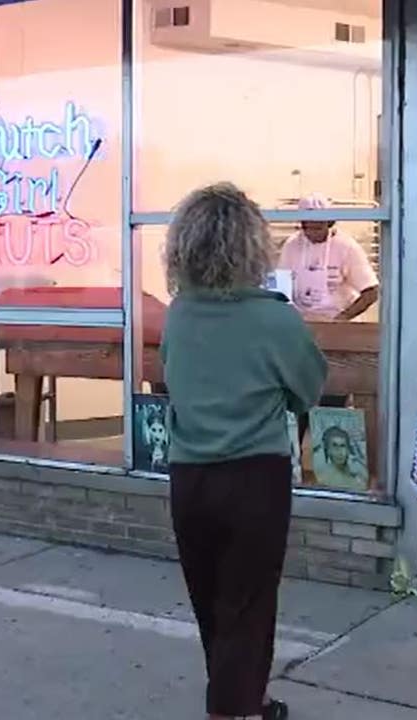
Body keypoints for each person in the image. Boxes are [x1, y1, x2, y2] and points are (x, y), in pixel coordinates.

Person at [161, 182, 328, 720]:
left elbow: (172, 383)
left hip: (190, 476)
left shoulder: (180, 315)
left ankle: (246, 699)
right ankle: (233, 709)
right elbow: (310, 388)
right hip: (255, 475)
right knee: (249, 605)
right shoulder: (275, 319)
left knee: (211, 603)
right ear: (251, 246)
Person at [276, 193, 379, 322]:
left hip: (339, 322)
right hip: (301, 322)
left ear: (329, 223)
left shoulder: (346, 246)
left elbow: (371, 291)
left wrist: (343, 318)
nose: (312, 233)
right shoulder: (291, 245)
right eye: (308, 228)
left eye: (318, 228)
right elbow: (280, 286)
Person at [312, 425, 368, 492]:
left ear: (348, 450)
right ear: (328, 450)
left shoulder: (358, 475)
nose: (339, 452)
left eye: (342, 446)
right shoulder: (323, 478)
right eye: (334, 446)